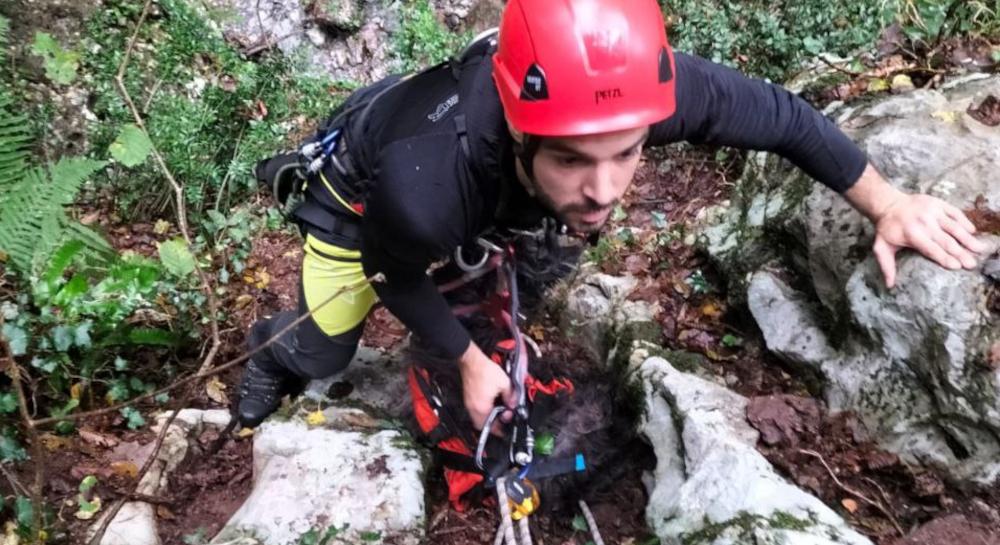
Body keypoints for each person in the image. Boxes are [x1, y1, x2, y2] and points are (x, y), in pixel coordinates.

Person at [236, 0, 987, 430]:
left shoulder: (627, 94)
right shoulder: (420, 185)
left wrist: (888, 202)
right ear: (524, 129)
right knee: (323, 354)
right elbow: (391, 271)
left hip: (489, 189)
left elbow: (783, 118)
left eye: (625, 155)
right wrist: (467, 360)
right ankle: (277, 351)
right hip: (360, 199)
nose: (604, 188)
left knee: (537, 258)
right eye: (573, 159)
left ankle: (499, 266)